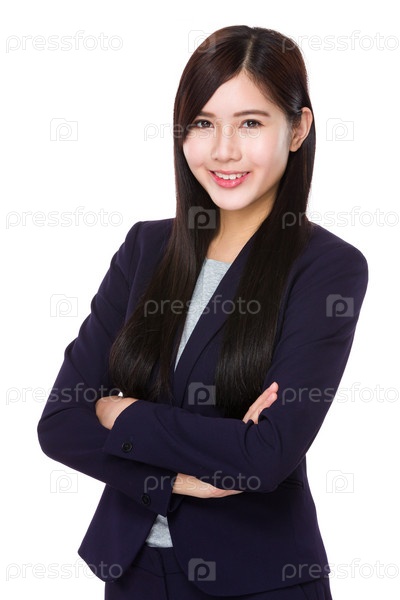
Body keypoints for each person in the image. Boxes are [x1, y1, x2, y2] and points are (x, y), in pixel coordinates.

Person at [38, 25, 368, 600]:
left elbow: (265, 457)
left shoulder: (327, 267)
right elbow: (61, 423)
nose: (223, 151)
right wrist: (180, 479)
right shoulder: (144, 249)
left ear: (298, 129)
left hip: (260, 580)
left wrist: (120, 412)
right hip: (133, 572)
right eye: (202, 123)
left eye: (250, 123)